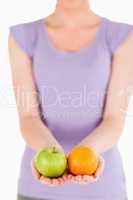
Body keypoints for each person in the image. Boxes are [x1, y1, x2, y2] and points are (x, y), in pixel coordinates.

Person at [8, 0, 133, 199]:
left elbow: (114, 118)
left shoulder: (121, 36)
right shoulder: (23, 36)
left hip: (103, 189)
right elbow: (28, 116)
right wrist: (51, 150)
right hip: (37, 189)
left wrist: (85, 154)